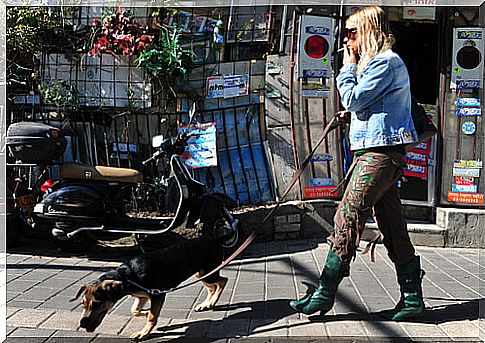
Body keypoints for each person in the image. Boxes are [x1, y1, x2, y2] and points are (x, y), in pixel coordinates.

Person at [290, 6, 425, 321]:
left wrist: (347, 68)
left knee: (348, 214)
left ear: (369, 31)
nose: (347, 38)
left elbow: (353, 98)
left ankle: (324, 291)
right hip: (379, 152)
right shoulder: (377, 66)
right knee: (392, 228)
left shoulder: (385, 63)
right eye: (345, 32)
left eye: (352, 32)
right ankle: (412, 297)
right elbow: (368, 105)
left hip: (380, 154)